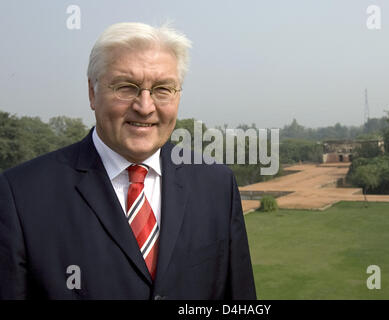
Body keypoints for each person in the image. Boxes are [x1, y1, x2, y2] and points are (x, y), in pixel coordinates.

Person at [0, 22, 256, 300]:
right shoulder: (21, 195)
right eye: (126, 87)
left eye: (162, 89)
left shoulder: (216, 184)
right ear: (92, 92)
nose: (145, 107)